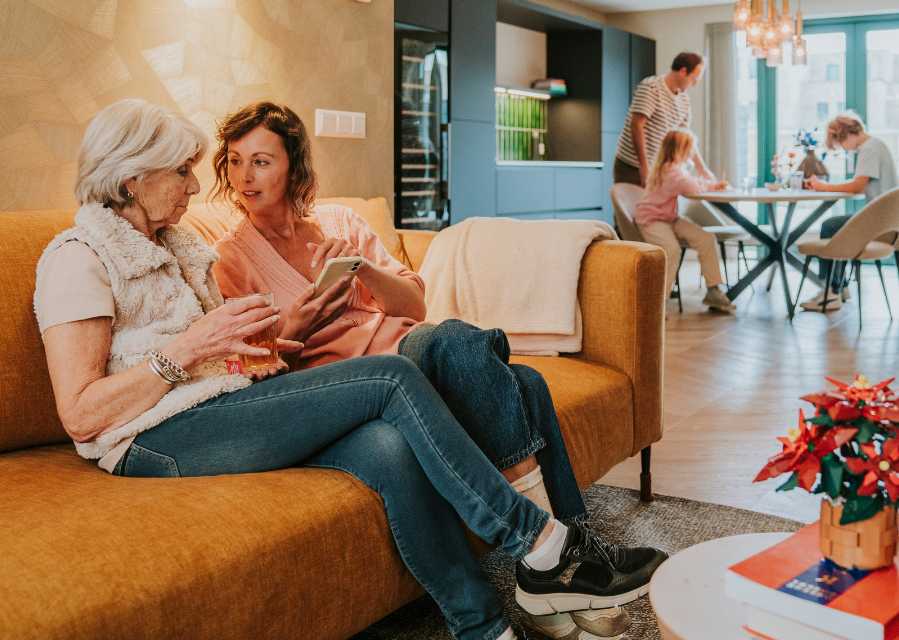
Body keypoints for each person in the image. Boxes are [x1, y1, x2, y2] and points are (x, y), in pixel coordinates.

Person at [34, 98, 666, 640]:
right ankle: (543, 544)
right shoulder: (78, 256)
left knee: (387, 448)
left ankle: (485, 627)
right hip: (150, 440)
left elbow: (230, 353)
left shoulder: (176, 249)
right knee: (395, 378)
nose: (198, 187)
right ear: (132, 177)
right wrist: (191, 350)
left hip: (218, 403)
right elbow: (83, 414)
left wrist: (245, 350)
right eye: (181, 171)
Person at [800, 112, 898, 312]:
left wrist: (822, 187)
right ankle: (838, 287)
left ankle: (830, 291)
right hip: (889, 222)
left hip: (880, 226)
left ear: (843, 136)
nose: (843, 150)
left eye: (839, 144)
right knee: (836, 225)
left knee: (830, 226)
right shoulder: (876, 145)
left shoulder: (868, 149)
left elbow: (857, 187)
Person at [634, 128, 733, 312]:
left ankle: (713, 289)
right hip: (652, 219)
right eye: (691, 149)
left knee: (705, 238)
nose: (693, 153)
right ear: (682, 150)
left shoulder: (674, 169)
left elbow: (696, 185)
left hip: (668, 217)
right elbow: (694, 189)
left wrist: (710, 183)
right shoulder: (672, 172)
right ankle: (658, 304)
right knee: (671, 251)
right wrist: (700, 165)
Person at [614, 52, 713, 188]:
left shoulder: (684, 100)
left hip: (657, 167)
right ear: (683, 71)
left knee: (653, 208)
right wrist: (644, 167)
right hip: (632, 166)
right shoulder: (651, 87)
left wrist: (702, 169)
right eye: (694, 79)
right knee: (634, 207)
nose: (694, 84)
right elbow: (637, 126)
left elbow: (685, 139)